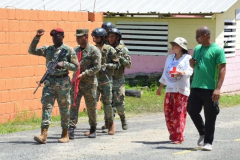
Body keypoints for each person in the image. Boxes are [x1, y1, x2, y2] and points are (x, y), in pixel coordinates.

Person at [28, 28, 79, 144]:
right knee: (46, 106)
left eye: (58, 36)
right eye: (53, 37)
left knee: (64, 108)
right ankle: (43, 134)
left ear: (63, 36)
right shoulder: (48, 49)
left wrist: (64, 64)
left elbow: (76, 66)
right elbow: (32, 50)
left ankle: (65, 133)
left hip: (63, 82)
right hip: (49, 82)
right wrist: (37, 37)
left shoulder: (69, 50)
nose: (55, 38)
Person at [188, 26, 226, 151]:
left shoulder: (217, 50)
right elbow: (198, 66)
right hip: (196, 86)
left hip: (210, 88)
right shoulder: (198, 49)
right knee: (192, 110)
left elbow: (222, 69)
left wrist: (218, 88)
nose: (196, 39)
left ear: (205, 35)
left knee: (210, 115)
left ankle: (208, 142)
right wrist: (192, 65)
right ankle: (203, 132)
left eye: (197, 36)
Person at [156, 37, 193, 144]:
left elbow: (190, 71)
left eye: (175, 45)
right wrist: (160, 87)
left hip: (181, 91)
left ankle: (178, 136)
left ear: (181, 47)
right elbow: (165, 73)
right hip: (170, 89)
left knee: (179, 113)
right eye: (172, 44)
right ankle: (173, 134)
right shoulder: (170, 58)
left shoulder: (187, 58)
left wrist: (182, 73)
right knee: (168, 113)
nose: (172, 47)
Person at [68, 29, 101, 139]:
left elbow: (97, 67)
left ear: (86, 37)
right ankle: (71, 128)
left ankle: (93, 128)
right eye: (76, 37)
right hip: (76, 83)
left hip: (89, 83)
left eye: (79, 37)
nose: (77, 39)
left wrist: (85, 74)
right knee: (73, 105)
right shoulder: (75, 50)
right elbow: (70, 63)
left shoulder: (94, 50)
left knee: (91, 107)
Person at [92, 27, 119, 135]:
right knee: (92, 104)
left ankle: (111, 125)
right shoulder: (92, 49)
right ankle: (92, 127)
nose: (95, 39)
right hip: (94, 80)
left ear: (103, 38)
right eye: (94, 37)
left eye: (97, 37)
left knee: (107, 104)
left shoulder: (110, 49)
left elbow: (117, 65)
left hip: (106, 80)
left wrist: (106, 66)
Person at [106, 28, 131, 130]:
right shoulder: (107, 48)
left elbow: (129, 64)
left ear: (117, 37)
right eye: (109, 36)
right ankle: (109, 123)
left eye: (112, 36)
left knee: (119, 102)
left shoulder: (123, 49)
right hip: (107, 79)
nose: (110, 38)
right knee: (108, 102)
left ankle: (123, 119)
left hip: (118, 80)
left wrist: (120, 57)